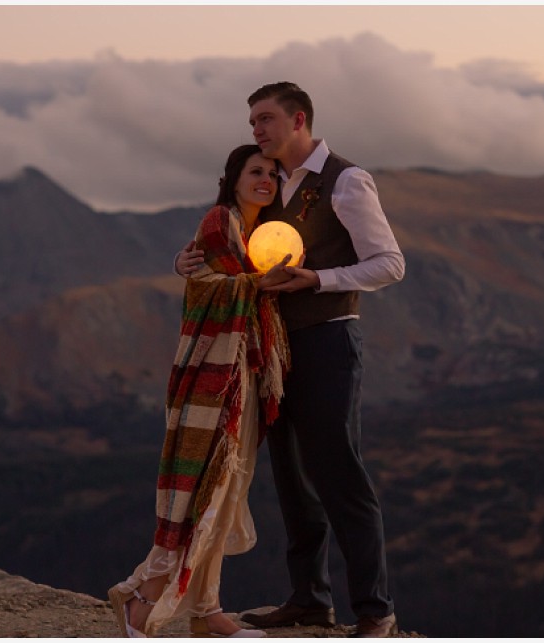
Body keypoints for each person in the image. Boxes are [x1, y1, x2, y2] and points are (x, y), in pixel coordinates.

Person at [176, 82, 405, 638]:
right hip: (273, 348)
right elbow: (238, 246)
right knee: (291, 478)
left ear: (298, 119)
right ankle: (309, 600)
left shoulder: (347, 180)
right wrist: (193, 260)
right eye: (252, 122)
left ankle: (375, 612)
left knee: (339, 473)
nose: (256, 130)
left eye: (265, 119)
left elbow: (389, 263)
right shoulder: (270, 183)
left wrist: (319, 279)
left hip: (328, 339)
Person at [108, 144, 295, 638]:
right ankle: (143, 599)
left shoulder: (260, 234)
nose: (266, 181)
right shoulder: (219, 224)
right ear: (232, 179)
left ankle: (207, 611)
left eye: (273, 175)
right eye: (256, 172)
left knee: (226, 490)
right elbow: (211, 287)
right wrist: (260, 284)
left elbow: (227, 280)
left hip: (240, 376)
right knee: (198, 492)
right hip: (212, 379)